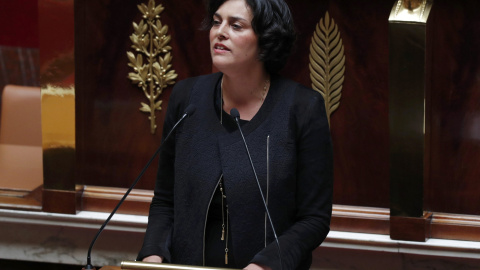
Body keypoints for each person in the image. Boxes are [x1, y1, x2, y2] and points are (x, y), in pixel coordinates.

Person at [137, 0, 333, 269]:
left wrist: (263, 266)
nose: (220, 32)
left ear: (266, 38)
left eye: (236, 25)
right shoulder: (187, 99)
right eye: (217, 22)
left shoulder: (302, 108)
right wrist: (152, 259)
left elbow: (314, 219)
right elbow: (165, 201)